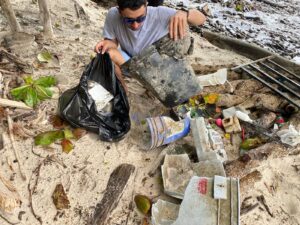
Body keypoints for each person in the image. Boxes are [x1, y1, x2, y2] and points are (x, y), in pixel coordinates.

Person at [94, 0, 206, 86]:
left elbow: (202, 19)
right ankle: (124, 90)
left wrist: (184, 13)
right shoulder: (113, 15)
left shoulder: (159, 13)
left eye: (140, 18)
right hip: (132, 63)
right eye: (129, 20)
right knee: (107, 53)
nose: (135, 25)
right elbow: (112, 44)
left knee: (184, 32)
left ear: (146, 5)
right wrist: (107, 44)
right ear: (119, 11)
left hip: (157, 67)